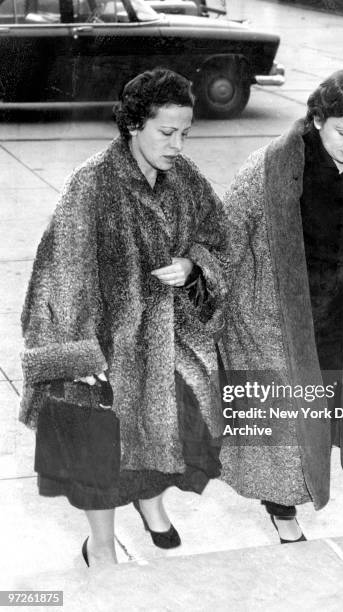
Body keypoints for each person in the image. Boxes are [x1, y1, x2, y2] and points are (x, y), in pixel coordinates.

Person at [20, 68, 228, 566]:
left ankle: (150, 499)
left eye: (186, 133)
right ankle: (101, 541)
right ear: (134, 124)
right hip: (104, 343)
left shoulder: (185, 176)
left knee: (173, 419)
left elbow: (219, 235)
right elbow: (60, 269)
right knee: (99, 441)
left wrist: (193, 265)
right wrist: (75, 353)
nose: (178, 144)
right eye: (167, 132)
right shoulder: (91, 183)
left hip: (166, 338)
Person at [218, 70, 343, 543]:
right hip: (275, 314)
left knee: (329, 411)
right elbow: (223, 238)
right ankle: (284, 507)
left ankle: (303, 485)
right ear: (317, 119)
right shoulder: (268, 167)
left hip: (338, 310)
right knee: (290, 421)